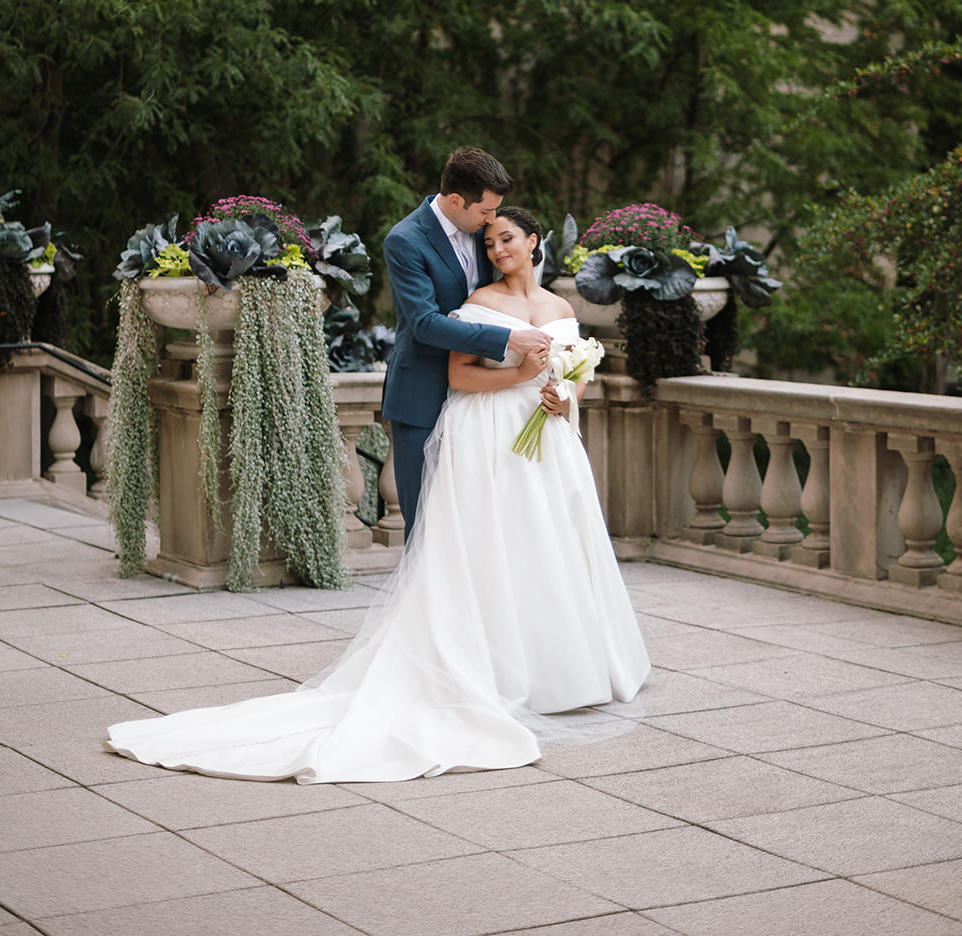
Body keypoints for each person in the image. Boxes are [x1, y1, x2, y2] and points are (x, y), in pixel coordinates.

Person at [104, 205, 650, 783]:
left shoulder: (562, 307)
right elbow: (461, 376)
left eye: (507, 238)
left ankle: (559, 666)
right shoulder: (481, 304)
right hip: (491, 430)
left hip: (548, 439)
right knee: (494, 544)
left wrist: (567, 398)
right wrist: (520, 377)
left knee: (546, 544)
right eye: (489, 241)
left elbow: (578, 368)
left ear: (534, 241)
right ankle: (496, 669)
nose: (497, 250)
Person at [381, 146, 550, 537]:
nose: (493, 221)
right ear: (456, 200)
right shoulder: (405, 240)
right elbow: (425, 323)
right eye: (486, 211)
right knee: (424, 523)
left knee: (476, 524)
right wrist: (508, 339)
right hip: (422, 394)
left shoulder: (483, 236)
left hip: (481, 401)